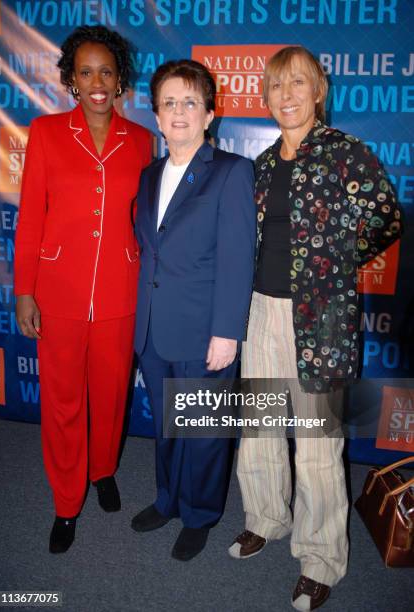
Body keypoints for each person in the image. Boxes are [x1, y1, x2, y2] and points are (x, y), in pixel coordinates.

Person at [228, 46, 402, 610]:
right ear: (266, 97)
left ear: (318, 90)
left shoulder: (345, 154)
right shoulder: (259, 164)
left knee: (317, 440)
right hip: (258, 311)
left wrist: (335, 259)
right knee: (259, 427)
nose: (286, 96)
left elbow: (385, 215)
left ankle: (321, 556)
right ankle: (266, 518)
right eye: (277, 87)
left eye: (297, 84)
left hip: (319, 320)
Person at [14, 25, 152, 554]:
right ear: (72, 79)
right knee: (64, 402)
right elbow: (30, 220)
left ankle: (102, 471)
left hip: (121, 293)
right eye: (86, 71)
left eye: (107, 72)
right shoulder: (46, 132)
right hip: (59, 292)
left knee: (111, 395)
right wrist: (25, 290)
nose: (97, 82)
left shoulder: (141, 141)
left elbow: (146, 223)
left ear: (120, 81)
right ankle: (66, 501)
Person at [131, 59, 256, 561]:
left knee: (204, 433)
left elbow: (236, 256)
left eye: (190, 102)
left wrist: (227, 332)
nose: (178, 111)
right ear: (157, 116)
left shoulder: (230, 172)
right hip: (153, 330)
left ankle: (200, 514)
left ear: (209, 114)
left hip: (206, 330)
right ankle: (167, 500)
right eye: (168, 103)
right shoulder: (147, 175)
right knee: (167, 425)